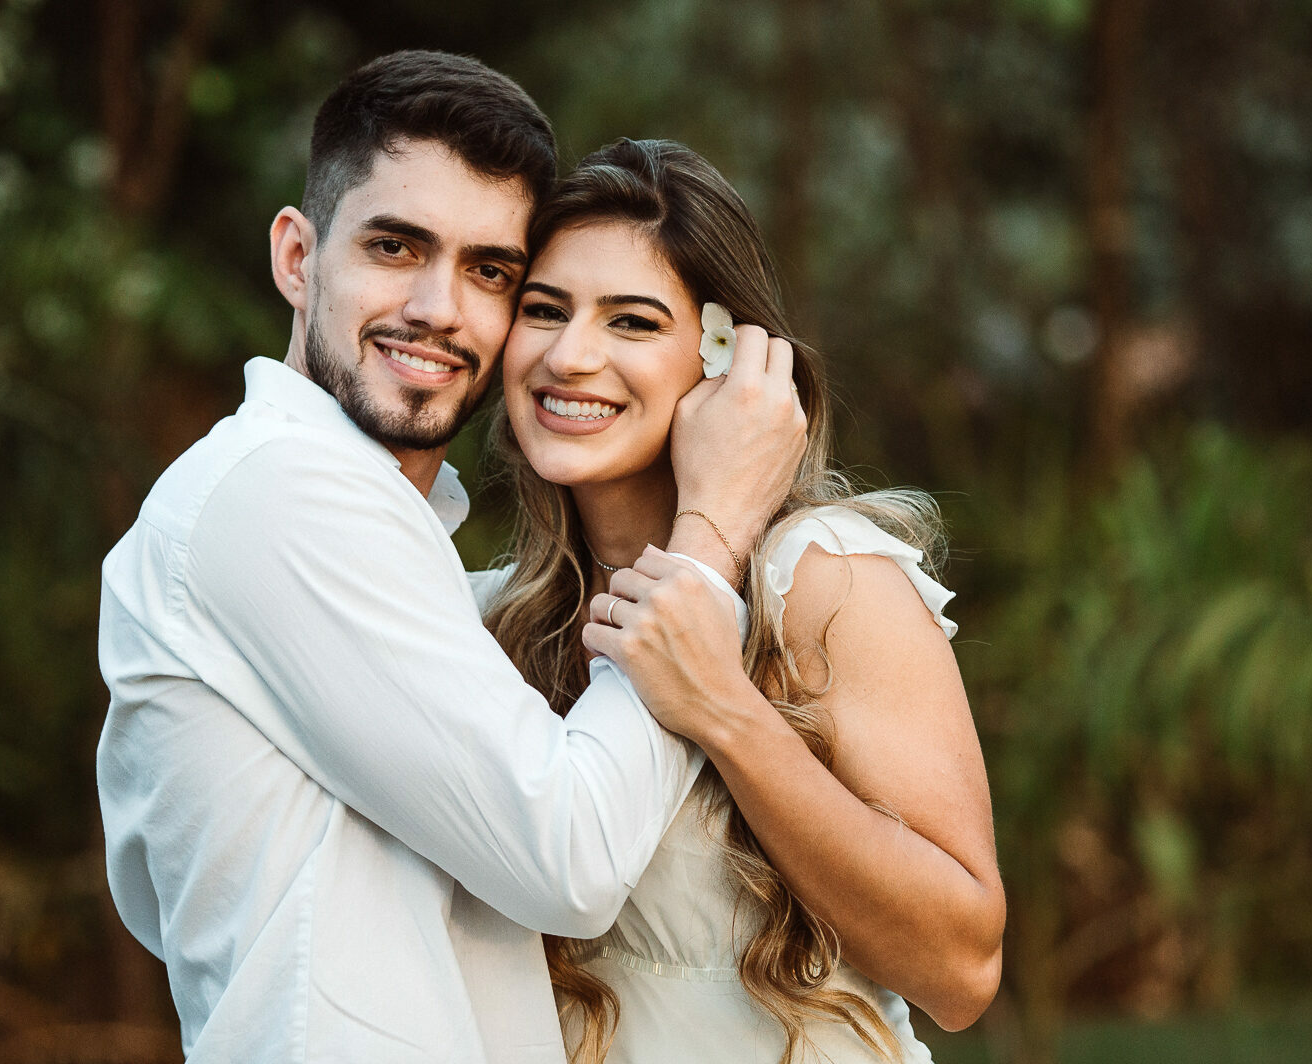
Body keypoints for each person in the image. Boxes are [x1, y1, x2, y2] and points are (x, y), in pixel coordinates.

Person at [95, 52, 808, 1063]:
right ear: (297, 257)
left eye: (490, 271)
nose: (439, 306)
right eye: (395, 246)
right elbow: (568, 858)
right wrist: (715, 528)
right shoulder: (277, 491)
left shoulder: (402, 546)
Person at [477, 139, 1005, 1063]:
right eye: (544, 310)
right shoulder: (496, 619)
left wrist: (722, 708)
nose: (570, 355)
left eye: (632, 322)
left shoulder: (822, 578)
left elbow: (962, 971)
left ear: (730, 355)